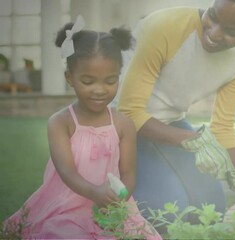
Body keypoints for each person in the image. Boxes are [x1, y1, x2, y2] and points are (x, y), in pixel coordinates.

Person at [116, 0, 235, 225]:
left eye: (231, 31)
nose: (214, 33)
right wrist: (195, 141)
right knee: (168, 212)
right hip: (117, 124)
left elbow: (222, 128)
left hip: (169, 123)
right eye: (213, 16)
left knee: (210, 209)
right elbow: (129, 112)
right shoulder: (166, 27)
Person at [2, 16, 161, 240]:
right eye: (88, 81)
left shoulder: (123, 123)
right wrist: (94, 192)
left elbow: (128, 173)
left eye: (110, 80)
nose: (99, 90)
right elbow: (66, 171)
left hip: (112, 205)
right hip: (68, 204)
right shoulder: (61, 122)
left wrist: (120, 199)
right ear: (70, 78)